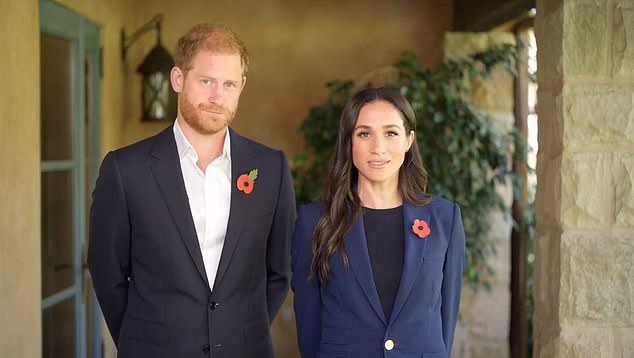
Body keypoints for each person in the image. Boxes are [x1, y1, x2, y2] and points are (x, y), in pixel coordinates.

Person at [88, 23, 295, 357]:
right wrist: (144, 337)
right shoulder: (125, 170)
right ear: (177, 80)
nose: (218, 96)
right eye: (206, 81)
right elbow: (107, 271)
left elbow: (279, 271)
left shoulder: (271, 168)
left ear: (241, 86)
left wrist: (241, 329)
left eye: (229, 84)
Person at [291, 87, 465, 358]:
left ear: (409, 140)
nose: (378, 148)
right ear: (349, 142)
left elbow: (445, 324)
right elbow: (309, 330)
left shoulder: (445, 219)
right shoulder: (315, 221)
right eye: (364, 133)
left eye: (391, 133)